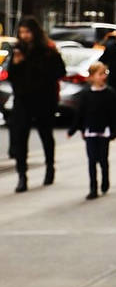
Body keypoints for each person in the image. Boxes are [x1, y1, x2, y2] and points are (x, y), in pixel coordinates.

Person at [7, 16, 66, 193]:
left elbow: (60, 71)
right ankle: (22, 175)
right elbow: (11, 76)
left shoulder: (47, 50)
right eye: (21, 32)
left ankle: (50, 167)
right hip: (23, 100)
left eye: (27, 32)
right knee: (20, 137)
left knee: (45, 134)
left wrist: (39, 72)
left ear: (35, 32)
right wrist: (16, 64)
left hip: (43, 99)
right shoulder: (18, 50)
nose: (24, 35)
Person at [67, 62, 116, 199]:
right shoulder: (86, 94)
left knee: (103, 159)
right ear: (91, 77)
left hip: (104, 132)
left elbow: (115, 114)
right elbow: (80, 113)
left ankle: (105, 181)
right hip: (90, 131)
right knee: (91, 160)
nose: (103, 77)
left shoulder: (110, 93)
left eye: (104, 73)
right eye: (100, 74)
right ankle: (93, 188)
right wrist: (73, 130)